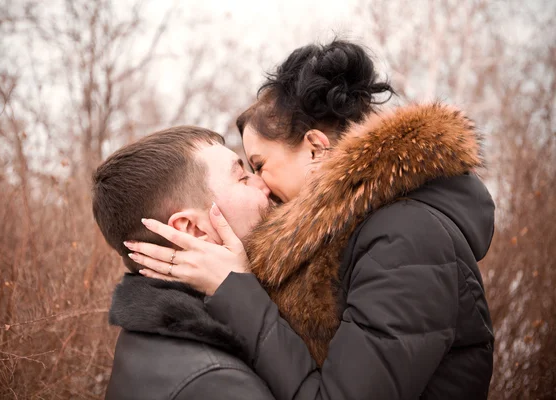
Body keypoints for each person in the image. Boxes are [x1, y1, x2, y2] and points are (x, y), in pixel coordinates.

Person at [128, 40, 495, 400]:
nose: (261, 186)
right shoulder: (356, 235)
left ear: (316, 148)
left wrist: (235, 291)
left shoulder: (408, 239)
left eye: (259, 165)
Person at [91, 126, 274, 400]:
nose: (264, 184)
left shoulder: (144, 339)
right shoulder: (217, 383)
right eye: (243, 177)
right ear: (190, 228)